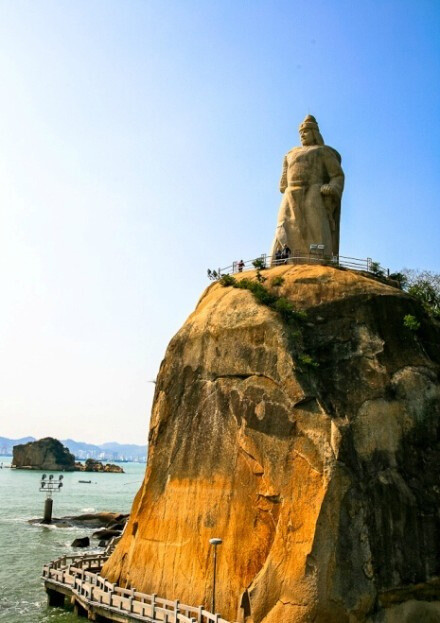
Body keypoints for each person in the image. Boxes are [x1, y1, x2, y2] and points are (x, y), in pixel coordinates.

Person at [270, 115, 344, 264]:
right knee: (283, 227)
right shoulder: (290, 154)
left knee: (316, 228)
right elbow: (282, 186)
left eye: (306, 131)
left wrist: (332, 187)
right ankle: (280, 260)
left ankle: (320, 259)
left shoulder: (323, 151)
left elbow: (337, 175)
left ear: (315, 133)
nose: (302, 135)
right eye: (300, 133)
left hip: (314, 193)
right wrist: (285, 169)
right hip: (291, 194)